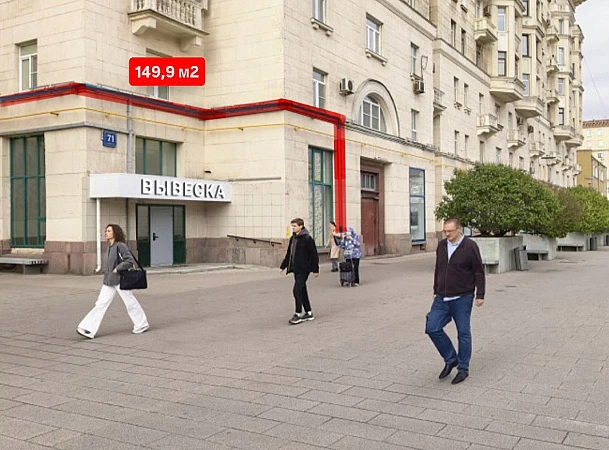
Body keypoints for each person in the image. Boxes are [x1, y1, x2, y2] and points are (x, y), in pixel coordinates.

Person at [426, 218, 485, 384]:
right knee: (432, 327)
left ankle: (463, 368)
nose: (446, 234)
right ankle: (451, 358)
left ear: (459, 229)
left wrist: (480, 294)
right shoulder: (442, 246)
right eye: (444, 231)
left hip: (463, 297)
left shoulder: (470, 246)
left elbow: (479, 271)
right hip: (442, 296)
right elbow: (439, 268)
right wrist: (436, 289)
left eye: (449, 231)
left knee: (463, 332)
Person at [77, 224, 150, 339]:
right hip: (109, 281)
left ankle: (142, 324)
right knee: (100, 304)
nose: (106, 233)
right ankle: (88, 329)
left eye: (109, 231)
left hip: (121, 280)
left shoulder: (120, 246)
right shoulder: (110, 247)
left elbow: (130, 261)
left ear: (115, 233)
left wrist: (118, 268)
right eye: (106, 231)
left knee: (130, 303)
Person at [280, 218, 319, 325]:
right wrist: (283, 266)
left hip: (304, 269)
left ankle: (297, 314)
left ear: (301, 226)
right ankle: (309, 312)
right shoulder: (293, 239)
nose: (293, 228)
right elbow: (289, 254)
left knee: (296, 290)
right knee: (302, 290)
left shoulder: (307, 239)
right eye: (292, 226)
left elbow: (314, 255)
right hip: (295, 268)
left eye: (295, 226)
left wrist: (315, 269)